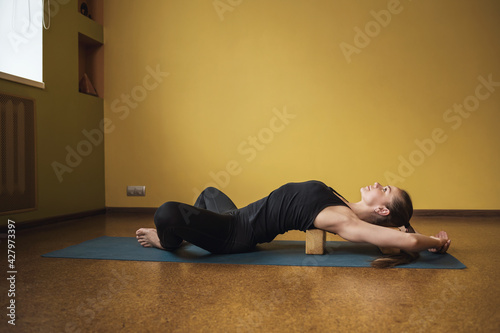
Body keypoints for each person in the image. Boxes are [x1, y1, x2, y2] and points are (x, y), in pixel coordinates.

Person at [136, 180, 451, 268]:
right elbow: (399, 235)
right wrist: (405, 228)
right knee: (209, 193)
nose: (379, 183)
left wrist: (435, 242)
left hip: (234, 235)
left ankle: (170, 242)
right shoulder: (341, 203)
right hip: (236, 216)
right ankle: (194, 232)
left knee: (167, 213)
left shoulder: (345, 221)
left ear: (383, 211)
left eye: (385, 190)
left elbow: (407, 243)